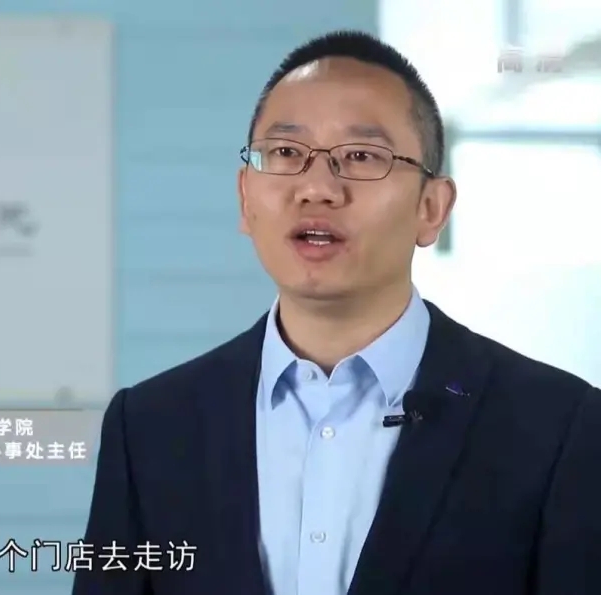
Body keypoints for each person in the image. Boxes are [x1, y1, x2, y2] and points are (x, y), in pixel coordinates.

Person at [71, 30, 601, 595]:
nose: (317, 188)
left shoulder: (558, 428)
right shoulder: (150, 426)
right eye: (286, 153)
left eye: (361, 157)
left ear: (431, 207)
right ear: (246, 198)